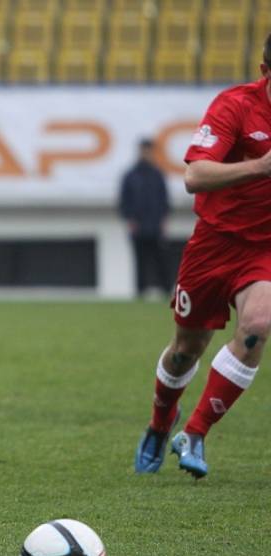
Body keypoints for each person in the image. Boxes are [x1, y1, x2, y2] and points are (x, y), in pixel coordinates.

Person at [134, 33, 271, 479]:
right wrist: (260, 166)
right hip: (214, 243)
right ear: (266, 73)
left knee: (257, 328)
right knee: (185, 350)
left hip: (264, 249)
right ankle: (160, 423)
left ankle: (194, 432)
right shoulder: (235, 106)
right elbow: (194, 176)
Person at [118, 138, 172, 298]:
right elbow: (124, 200)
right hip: (138, 225)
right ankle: (140, 291)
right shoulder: (130, 175)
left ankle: (165, 289)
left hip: (155, 224)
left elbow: (164, 199)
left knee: (160, 259)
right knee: (140, 260)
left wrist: (163, 220)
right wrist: (129, 219)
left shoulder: (157, 174)